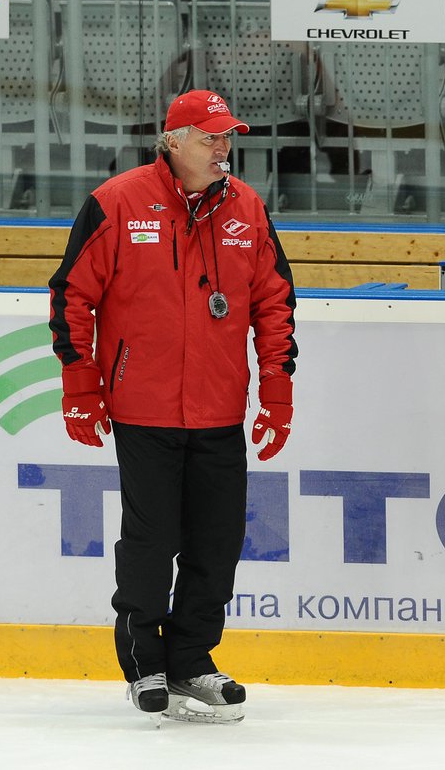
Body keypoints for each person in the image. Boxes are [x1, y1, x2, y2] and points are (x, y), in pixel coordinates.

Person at [48, 89, 298, 723]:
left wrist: (276, 392)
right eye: (211, 136)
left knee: (217, 543)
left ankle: (191, 661)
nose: (224, 147)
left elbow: (275, 304)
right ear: (174, 141)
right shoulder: (117, 201)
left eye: (228, 136)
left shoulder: (247, 206)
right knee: (153, 541)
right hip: (143, 407)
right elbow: (71, 296)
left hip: (219, 409)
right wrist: (81, 388)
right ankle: (144, 662)